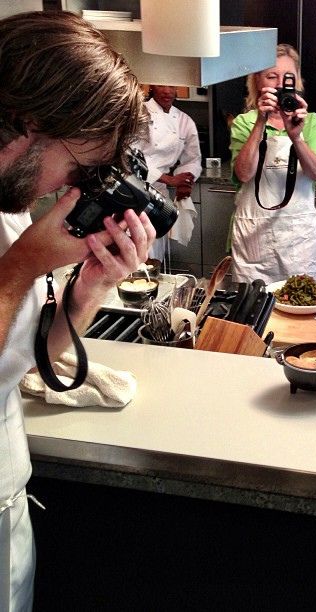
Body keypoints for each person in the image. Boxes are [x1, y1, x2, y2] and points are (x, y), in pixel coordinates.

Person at [0, 12, 156, 609]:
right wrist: (21, 266)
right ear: (27, 124)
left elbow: (28, 357)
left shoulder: (13, 207)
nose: (74, 188)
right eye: (82, 167)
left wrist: (87, 289)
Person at [229, 43, 316, 285]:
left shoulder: (311, 122)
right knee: (252, 310)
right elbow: (243, 173)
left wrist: (297, 137)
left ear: (297, 81)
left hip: (299, 241)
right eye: (271, 76)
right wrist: (260, 123)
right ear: (257, 82)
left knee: (299, 305)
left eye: (287, 77)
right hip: (255, 239)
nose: (279, 83)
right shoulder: (245, 122)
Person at [138, 84, 202, 263]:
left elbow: (193, 158)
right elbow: (129, 157)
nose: (167, 91)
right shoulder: (138, 114)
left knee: (156, 253)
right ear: (151, 87)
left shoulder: (184, 121)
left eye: (171, 86)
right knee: (138, 254)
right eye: (161, 86)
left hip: (160, 196)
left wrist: (185, 180)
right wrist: (170, 179)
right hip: (134, 191)